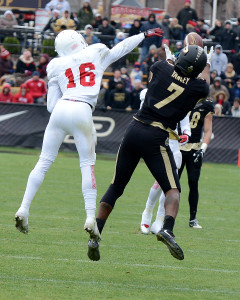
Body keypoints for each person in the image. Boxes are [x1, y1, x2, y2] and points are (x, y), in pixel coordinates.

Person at [14, 28, 164, 260]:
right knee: (87, 164)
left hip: (62, 108)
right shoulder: (95, 51)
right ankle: (90, 218)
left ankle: (23, 208)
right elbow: (121, 49)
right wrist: (143, 35)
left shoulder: (55, 64)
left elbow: (50, 106)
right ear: (79, 41)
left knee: (44, 161)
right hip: (83, 108)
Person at [90, 44, 213, 261]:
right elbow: (204, 85)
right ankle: (167, 228)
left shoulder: (160, 67)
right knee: (173, 189)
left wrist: (174, 58)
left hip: (134, 130)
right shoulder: (198, 89)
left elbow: (167, 66)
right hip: (156, 137)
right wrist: (207, 64)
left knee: (116, 186)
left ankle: (96, 233)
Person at [140, 91, 191, 234]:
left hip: (174, 148)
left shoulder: (180, 97)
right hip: (158, 144)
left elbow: (185, 120)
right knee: (160, 181)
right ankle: (148, 210)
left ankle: (159, 219)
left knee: (170, 185)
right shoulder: (152, 95)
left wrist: (186, 134)